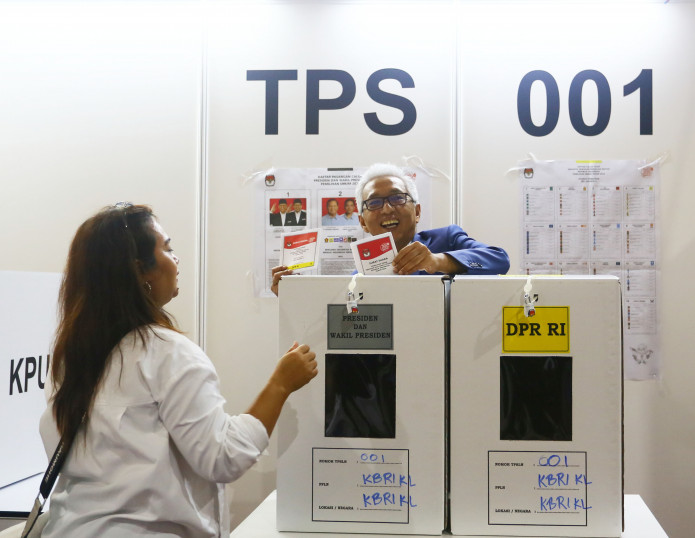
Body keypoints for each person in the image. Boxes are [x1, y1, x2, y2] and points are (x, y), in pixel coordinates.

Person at [39, 203, 317, 537]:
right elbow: (222, 457)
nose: (177, 259)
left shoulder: (71, 356)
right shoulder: (165, 351)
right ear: (141, 270)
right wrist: (280, 385)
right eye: (168, 249)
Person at [271, 163, 509, 294]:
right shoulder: (360, 278)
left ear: (417, 211)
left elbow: (499, 260)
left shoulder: (446, 239)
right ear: (362, 222)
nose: (386, 210)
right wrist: (293, 295)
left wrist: (438, 262)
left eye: (397, 198)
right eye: (374, 203)